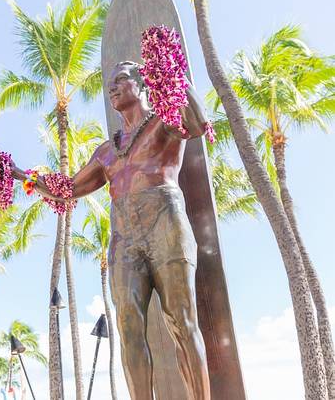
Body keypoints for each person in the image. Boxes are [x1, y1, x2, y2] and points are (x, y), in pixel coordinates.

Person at [11, 61, 211, 400]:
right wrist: (19, 174)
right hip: (125, 237)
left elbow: (196, 123)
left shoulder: (164, 121)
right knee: (128, 327)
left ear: (142, 84)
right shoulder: (106, 151)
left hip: (165, 222)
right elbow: (66, 188)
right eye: (110, 84)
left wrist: (171, 66)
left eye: (120, 80)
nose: (112, 88)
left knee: (181, 320)